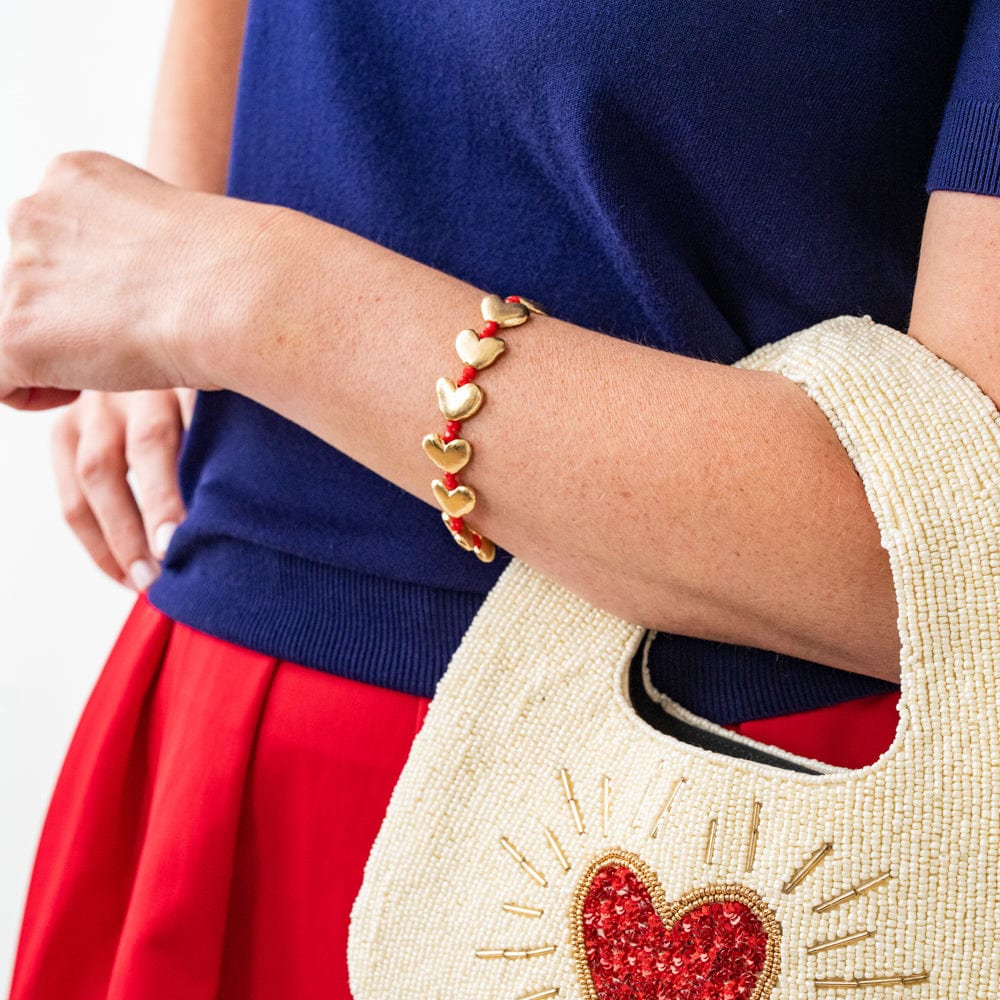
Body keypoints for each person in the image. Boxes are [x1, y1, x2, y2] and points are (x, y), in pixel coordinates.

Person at [4, 0, 999, 996]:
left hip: (720, 826)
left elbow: (960, 549)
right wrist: (169, 247)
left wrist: (232, 294)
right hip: (232, 714)